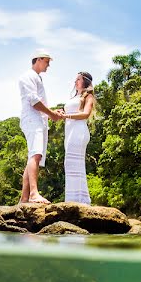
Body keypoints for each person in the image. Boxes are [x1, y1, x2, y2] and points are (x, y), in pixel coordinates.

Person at [18, 50, 63, 204]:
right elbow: (34, 101)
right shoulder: (28, 76)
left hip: (38, 120)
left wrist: (51, 113)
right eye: (47, 61)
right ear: (38, 59)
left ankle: (24, 198)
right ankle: (33, 194)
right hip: (32, 119)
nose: (49, 65)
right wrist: (51, 114)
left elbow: (39, 102)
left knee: (34, 156)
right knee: (36, 154)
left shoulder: (37, 78)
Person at [60, 71, 96, 204]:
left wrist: (67, 116)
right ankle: (71, 198)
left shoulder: (89, 96)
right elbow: (70, 113)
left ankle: (81, 199)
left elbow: (85, 114)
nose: (75, 82)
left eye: (78, 79)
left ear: (85, 82)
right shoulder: (75, 97)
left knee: (76, 165)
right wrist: (63, 113)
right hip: (70, 132)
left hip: (79, 133)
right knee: (69, 164)